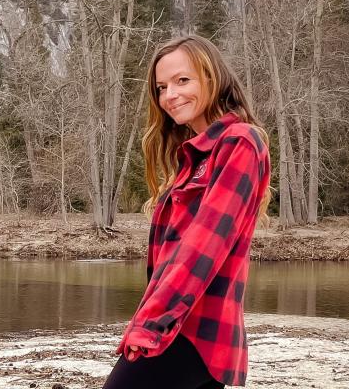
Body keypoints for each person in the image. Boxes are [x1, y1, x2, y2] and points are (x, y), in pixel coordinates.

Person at [104, 35, 271, 389]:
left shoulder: (239, 142)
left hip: (192, 333)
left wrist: (150, 324)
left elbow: (203, 247)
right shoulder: (193, 158)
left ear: (212, 78)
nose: (170, 95)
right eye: (162, 87)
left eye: (183, 81)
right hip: (180, 326)